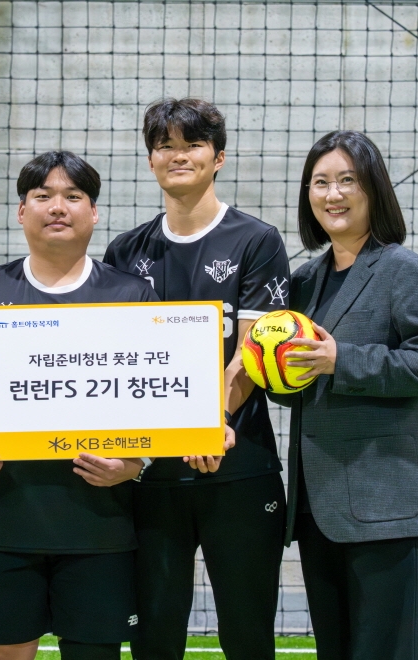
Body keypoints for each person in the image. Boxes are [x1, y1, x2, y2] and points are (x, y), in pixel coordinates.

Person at [0, 151, 230, 660]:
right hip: (5, 522)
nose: (57, 207)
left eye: (73, 196)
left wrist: (135, 463)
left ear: (93, 213)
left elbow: (159, 400)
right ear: (21, 211)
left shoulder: (131, 296)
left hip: (102, 526)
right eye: (42, 196)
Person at [103, 98, 291, 660]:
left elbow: (253, 351)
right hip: (150, 476)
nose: (178, 155)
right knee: (154, 639)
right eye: (165, 146)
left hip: (239, 465)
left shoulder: (256, 240)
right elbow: (116, 361)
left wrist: (209, 423)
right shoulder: (124, 251)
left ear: (219, 157)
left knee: (248, 637)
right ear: (150, 160)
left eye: (193, 145)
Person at [273, 130, 418, 659]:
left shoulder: (403, 270)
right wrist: (274, 374)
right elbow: (303, 387)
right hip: (318, 512)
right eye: (320, 182)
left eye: (347, 180)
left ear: (373, 189)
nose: (332, 194)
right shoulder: (305, 281)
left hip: (386, 512)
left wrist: (342, 361)